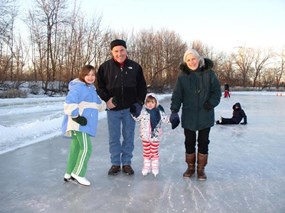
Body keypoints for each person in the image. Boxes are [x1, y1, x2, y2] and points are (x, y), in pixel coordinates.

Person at [96, 39, 147, 176]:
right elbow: (99, 87)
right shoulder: (104, 67)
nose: (119, 53)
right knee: (114, 137)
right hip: (113, 110)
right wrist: (107, 99)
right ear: (112, 52)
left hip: (130, 109)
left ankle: (126, 163)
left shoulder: (135, 67)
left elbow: (142, 87)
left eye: (122, 50)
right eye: (116, 51)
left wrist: (138, 103)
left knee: (128, 136)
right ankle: (115, 164)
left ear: (126, 50)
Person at [170, 49, 221, 180]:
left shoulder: (209, 73)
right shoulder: (182, 76)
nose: (191, 62)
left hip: (206, 114)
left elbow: (217, 92)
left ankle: (201, 169)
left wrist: (211, 103)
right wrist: (174, 110)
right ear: (185, 62)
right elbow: (177, 95)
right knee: (189, 142)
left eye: (193, 59)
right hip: (189, 115)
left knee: (204, 142)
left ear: (199, 59)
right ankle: (191, 167)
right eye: (188, 60)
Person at [62, 65, 106, 186]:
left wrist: (109, 104)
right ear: (82, 75)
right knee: (87, 148)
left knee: (75, 149)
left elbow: (98, 104)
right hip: (79, 124)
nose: (91, 77)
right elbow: (69, 102)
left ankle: (69, 173)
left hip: (83, 124)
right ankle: (79, 173)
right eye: (88, 74)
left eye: (93, 75)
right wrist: (76, 117)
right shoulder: (78, 88)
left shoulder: (91, 89)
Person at [131, 93, 170, 177]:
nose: (150, 104)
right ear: (145, 103)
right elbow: (137, 118)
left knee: (154, 152)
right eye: (148, 102)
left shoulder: (159, 112)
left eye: (152, 102)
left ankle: (154, 167)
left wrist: (172, 119)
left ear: (156, 103)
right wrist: (133, 112)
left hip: (155, 136)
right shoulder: (143, 111)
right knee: (146, 152)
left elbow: (165, 119)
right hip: (144, 136)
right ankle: (146, 167)